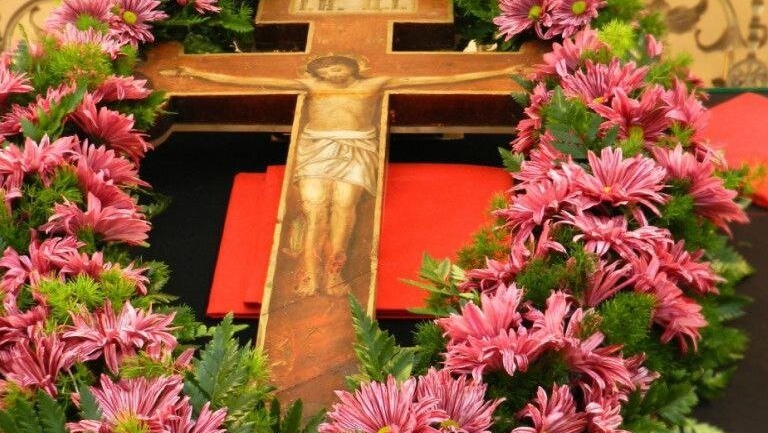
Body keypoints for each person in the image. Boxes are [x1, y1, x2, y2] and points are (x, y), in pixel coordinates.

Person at [163, 55, 519, 296]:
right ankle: (309, 274)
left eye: (339, 66)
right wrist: (195, 73)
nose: (334, 72)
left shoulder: (375, 83)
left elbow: (438, 78)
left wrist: (502, 70)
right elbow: (251, 80)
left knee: (345, 205)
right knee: (314, 208)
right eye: (328, 68)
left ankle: (334, 273)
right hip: (316, 148)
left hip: (357, 148)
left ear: (352, 68)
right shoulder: (310, 86)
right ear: (319, 73)